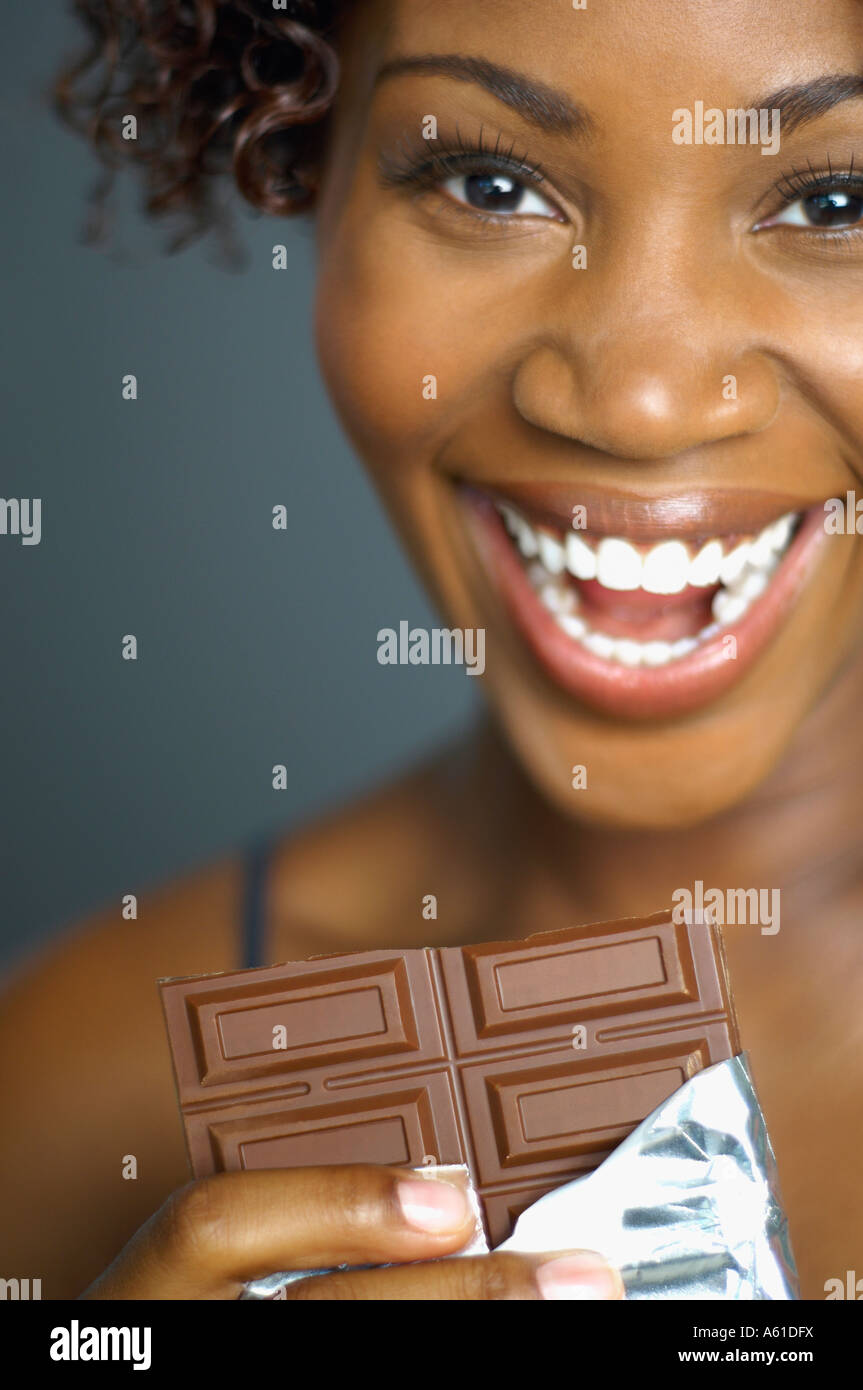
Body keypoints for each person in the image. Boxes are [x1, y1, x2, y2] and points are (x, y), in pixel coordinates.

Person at [3, 0, 862, 1300]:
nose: (636, 398)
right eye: (490, 180)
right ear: (309, 171)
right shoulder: (64, 1095)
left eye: (838, 203)